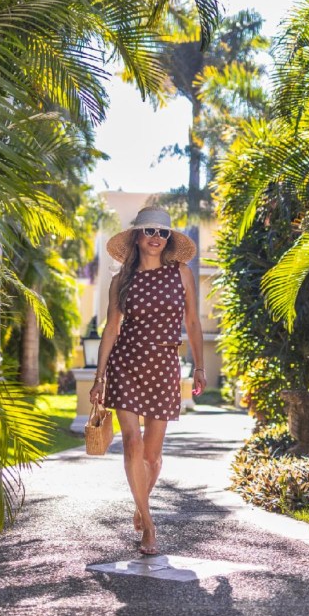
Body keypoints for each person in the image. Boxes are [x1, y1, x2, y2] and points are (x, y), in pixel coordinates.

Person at [89, 206, 206, 556]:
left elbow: (194, 323)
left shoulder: (181, 274)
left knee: (153, 457)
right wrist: (99, 376)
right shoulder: (121, 280)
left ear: (168, 240)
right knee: (131, 443)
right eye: (150, 231)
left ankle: (140, 504)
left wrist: (199, 367)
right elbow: (112, 329)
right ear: (137, 237)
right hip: (127, 362)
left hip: (165, 364)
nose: (156, 238)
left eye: (163, 233)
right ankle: (148, 523)